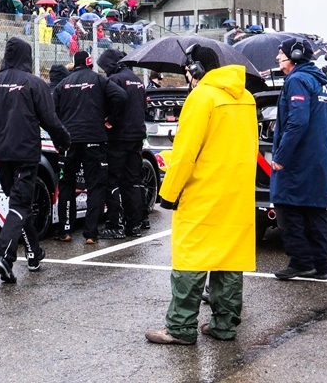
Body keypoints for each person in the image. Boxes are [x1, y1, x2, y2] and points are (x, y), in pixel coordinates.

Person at [145, 44, 257, 345]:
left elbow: (185, 153)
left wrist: (168, 193)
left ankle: (180, 328)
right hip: (236, 193)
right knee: (229, 259)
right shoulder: (245, 98)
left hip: (202, 191)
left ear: (196, 70)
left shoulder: (201, 97)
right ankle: (224, 325)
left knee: (191, 259)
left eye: (187, 68)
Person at [0, 38, 70, 283]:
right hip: (25, 154)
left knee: (17, 205)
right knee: (20, 206)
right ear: (27, 56)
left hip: (1, 154)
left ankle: (34, 253)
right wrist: (64, 142)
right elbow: (50, 120)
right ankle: (4, 256)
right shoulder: (34, 83)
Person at [271, 39, 327, 280]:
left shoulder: (296, 80)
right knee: (314, 209)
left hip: (297, 160)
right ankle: (321, 266)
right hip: (316, 158)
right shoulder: (318, 81)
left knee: (286, 206)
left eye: (281, 53)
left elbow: (298, 121)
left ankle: (301, 262)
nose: (278, 58)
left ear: (294, 56)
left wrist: (281, 155)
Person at [53, 51, 125, 244]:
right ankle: (91, 234)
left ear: (74, 65)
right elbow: (121, 96)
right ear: (90, 64)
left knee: (67, 183)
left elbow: (52, 111)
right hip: (95, 139)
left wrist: (59, 136)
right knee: (96, 185)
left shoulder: (63, 84)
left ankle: (65, 230)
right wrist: (110, 118)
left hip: (69, 140)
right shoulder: (99, 80)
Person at [97, 49, 148, 239]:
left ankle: (114, 225)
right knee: (133, 181)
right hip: (137, 136)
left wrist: (110, 119)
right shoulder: (137, 79)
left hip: (118, 137)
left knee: (113, 180)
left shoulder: (116, 80)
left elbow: (115, 102)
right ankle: (134, 225)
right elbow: (143, 106)